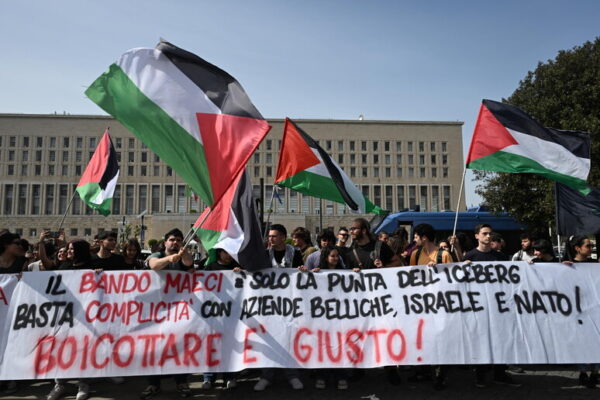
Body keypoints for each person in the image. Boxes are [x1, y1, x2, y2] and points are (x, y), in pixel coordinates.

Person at [140, 228, 193, 399]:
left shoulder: (182, 256)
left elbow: (188, 263)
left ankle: (181, 382)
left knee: (180, 347)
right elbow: (155, 265)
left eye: (178, 240)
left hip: (179, 312)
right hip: (156, 313)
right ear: (165, 243)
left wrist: (183, 254)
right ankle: (153, 384)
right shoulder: (155, 255)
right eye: (172, 239)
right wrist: (170, 258)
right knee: (155, 349)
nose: (175, 242)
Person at [464, 224, 518, 388]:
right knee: (481, 341)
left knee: (501, 339)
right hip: (479, 308)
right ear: (477, 236)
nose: (488, 237)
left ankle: (500, 374)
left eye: (490, 234)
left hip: (498, 307)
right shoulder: (470, 257)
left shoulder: (500, 257)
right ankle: (480, 375)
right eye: (484, 234)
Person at [255, 223, 304, 391]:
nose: (271, 239)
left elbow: (300, 273)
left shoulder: (295, 253)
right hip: (269, 304)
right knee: (270, 339)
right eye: (269, 236)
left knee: (288, 339)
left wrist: (302, 270)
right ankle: (266, 376)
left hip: (289, 304)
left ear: (283, 237)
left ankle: (292, 375)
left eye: (274, 236)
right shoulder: (264, 254)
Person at [47, 239, 92, 400]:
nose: (69, 251)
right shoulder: (64, 266)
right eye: (68, 249)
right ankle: (59, 384)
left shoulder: (91, 267)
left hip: (85, 318)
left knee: (82, 351)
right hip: (64, 317)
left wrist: (99, 275)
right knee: (60, 351)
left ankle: (83, 384)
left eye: (72, 249)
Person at [201, 248, 241, 389]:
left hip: (232, 314)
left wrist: (240, 274)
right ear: (219, 253)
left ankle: (229, 377)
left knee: (229, 345)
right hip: (213, 313)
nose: (229, 255)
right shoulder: (210, 267)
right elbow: (200, 284)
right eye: (226, 252)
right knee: (212, 345)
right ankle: (208, 378)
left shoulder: (236, 266)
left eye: (231, 253)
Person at [311, 246, 349, 390]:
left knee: (339, 346)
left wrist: (356, 273)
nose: (335, 258)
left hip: (340, 318)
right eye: (332, 256)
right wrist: (309, 274)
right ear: (326, 257)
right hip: (322, 318)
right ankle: (322, 375)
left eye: (337, 256)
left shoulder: (345, 273)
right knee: (323, 347)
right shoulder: (318, 273)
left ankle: (341, 376)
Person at [565, 235, 598, 387]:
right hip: (578, 311)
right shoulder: (568, 265)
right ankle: (583, 372)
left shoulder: (594, 264)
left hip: (595, 309)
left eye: (591, 246)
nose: (591, 248)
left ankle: (595, 373)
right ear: (577, 248)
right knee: (583, 342)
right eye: (588, 246)